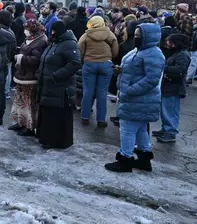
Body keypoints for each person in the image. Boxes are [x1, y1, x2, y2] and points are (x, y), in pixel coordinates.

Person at [105, 23, 164, 173]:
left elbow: (151, 80)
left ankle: (125, 160)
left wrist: (130, 90)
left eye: (139, 36)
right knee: (140, 130)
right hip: (135, 98)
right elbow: (135, 70)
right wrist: (120, 71)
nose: (136, 37)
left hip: (140, 99)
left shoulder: (154, 54)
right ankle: (144, 159)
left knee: (127, 129)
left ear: (148, 37)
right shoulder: (139, 51)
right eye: (136, 35)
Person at [37, 21, 81, 149]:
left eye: (54, 30)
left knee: (58, 115)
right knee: (49, 114)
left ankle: (58, 141)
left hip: (61, 86)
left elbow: (74, 63)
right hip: (48, 85)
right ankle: (47, 138)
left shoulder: (69, 44)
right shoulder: (54, 43)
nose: (52, 33)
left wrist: (56, 76)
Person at [78, 16, 118, 127]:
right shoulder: (110, 35)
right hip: (105, 65)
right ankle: (101, 120)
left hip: (89, 64)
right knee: (102, 92)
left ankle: (85, 117)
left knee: (88, 91)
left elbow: (80, 51)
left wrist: (83, 61)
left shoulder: (86, 35)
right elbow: (115, 52)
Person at [10, 19, 48, 135]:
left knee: (29, 103)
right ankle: (20, 122)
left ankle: (30, 126)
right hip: (22, 74)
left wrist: (21, 57)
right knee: (20, 100)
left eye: (27, 29)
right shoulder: (30, 39)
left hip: (30, 77)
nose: (25, 31)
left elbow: (36, 59)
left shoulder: (40, 41)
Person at [153, 33, 190, 143]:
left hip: (174, 87)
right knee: (165, 109)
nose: (167, 44)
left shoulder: (183, 55)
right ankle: (165, 129)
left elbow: (179, 70)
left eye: (169, 42)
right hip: (168, 86)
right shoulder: (177, 53)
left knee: (171, 110)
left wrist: (164, 67)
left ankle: (171, 132)